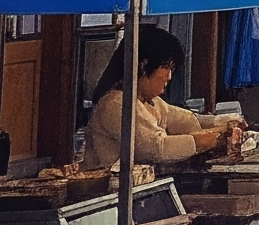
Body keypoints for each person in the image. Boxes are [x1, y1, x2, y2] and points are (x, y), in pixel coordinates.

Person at [85, 25, 245, 170]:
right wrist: (208, 140)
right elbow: (156, 148)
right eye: (166, 67)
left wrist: (228, 122)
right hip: (112, 194)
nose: (169, 77)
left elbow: (187, 121)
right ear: (143, 65)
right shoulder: (117, 103)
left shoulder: (152, 102)